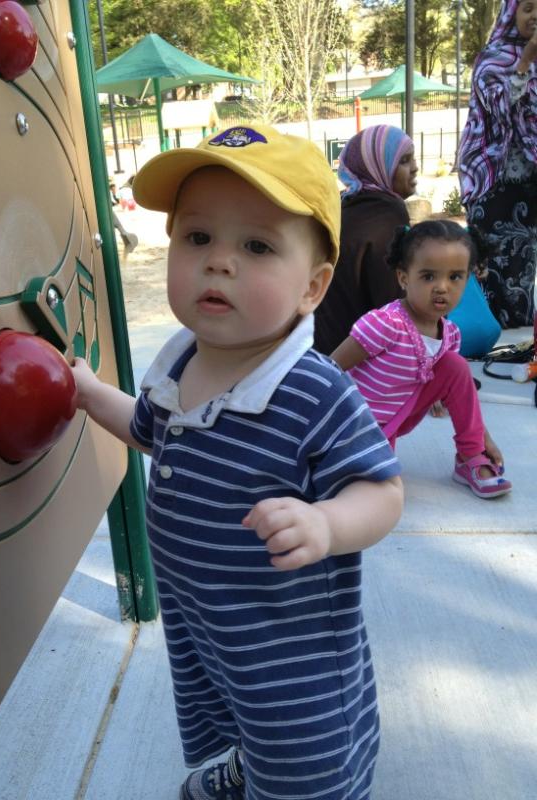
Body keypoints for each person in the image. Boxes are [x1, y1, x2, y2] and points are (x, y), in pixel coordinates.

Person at [73, 124, 404, 800]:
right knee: (242, 720)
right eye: (198, 237)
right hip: (216, 631)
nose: (218, 262)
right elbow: (147, 432)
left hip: (293, 657)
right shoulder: (180, 367)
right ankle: (252, 766)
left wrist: (327, 524)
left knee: (303, 765)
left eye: (256, 246)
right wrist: (85, 392)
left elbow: (382, 491)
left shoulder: (313, 391)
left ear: (312, 287)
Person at [332, 220, 512, 500]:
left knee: (456, 366)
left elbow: (458, 390)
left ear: (468, 279)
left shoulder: (450, 333)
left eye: (455, 277)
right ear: (404, 278)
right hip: (358, 425)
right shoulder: (386, 323)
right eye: (428, 276)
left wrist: (483, 439)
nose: (442, 287)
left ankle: (470, 455)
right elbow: (329, 369)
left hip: (398, 415)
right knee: (377, 491)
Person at [458, 0, 537, 328]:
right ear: (511, 13)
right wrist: (526, 59)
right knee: (492, 265)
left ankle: (520, 339)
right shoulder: (491, 59)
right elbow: (501, 106)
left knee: (523, 265)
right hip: (493, 179)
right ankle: (485, 335)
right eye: (528, 8)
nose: (535, 16)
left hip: (530, 180)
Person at [314, 124, 418, 354]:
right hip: (357, 357)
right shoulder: (387, 212)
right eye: (404, 161)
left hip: (322, 349)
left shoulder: (345, 204)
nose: (415, 168)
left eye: (412, 159)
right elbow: (394, 305)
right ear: (377, 167)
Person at [109, 179, 138, 253]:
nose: (114, 190)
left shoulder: (119, 191)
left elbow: (119, 201)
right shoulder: (125, 190)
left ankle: (124, 233)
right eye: (113, 188)